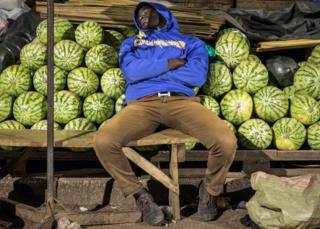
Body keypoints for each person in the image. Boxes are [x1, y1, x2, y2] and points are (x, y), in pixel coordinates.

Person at [93, 1, 237, 226]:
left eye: (147, 11)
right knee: (104, 140)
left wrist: (150, 70)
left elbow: (196, 75)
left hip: (182, 102)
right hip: (142, 104)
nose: (142, 17)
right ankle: (141, 196)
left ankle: (209, 190)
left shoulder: (191, 43)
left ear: (162, 12)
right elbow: (131, 72)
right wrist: (170, 63)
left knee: (225, 141)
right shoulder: (132, 43)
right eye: (138, 15)